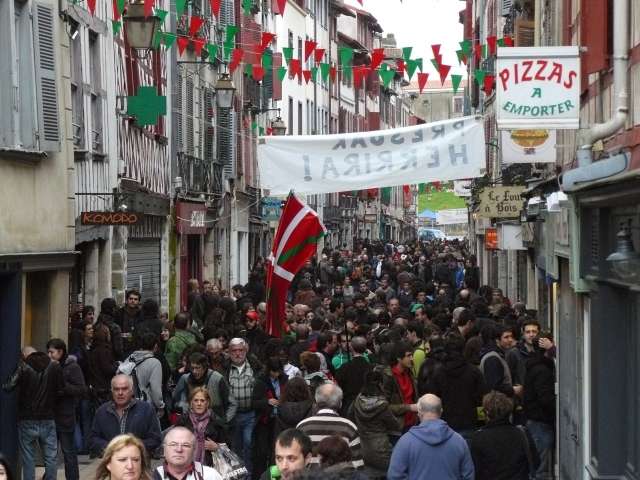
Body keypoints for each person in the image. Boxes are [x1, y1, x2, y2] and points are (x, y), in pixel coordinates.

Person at [2, 346, 64, 480]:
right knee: (51, 458)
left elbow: (8, 386)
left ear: (24, 355)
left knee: (28, 459)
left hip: (27, 419)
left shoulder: (23, 367)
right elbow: (61, 390)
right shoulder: (53, 366)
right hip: (48, 418)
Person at [387, 394, 475, 480]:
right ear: (441, 411)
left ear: (419, 412)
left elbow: (394, 475)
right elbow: (468, 475)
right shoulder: (459, 441)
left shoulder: (405, 442)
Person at [468, 392, 538, 480]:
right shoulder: (522, 433)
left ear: (487, 412)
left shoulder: (479, 438)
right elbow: (535, 462)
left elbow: (476, 470)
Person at [89, 374, 162, 456]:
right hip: (111, 462)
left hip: (138, 462)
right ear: (112, 391)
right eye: (116, 389)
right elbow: (93, 439)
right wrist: (113, 447)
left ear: (132, 390)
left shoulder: (146, 410)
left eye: (124, 389)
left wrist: (132, 446)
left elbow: (155, 439)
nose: (120, 393)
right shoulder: (102, 411)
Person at [296, 383, 364, 469]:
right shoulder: (349, 427)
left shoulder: (302, 426)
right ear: (340, 404)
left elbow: (297, 461)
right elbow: (357, 465)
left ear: (316, 402)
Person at [47, 338, 87, 480]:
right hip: (50, 416)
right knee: (50, 454)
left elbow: (81, 389)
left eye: (51, 352)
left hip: (65, 416)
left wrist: (64, 388)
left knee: (68, 452)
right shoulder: (50, 367)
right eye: (48, 352)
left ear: (60, 352)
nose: (49, 355)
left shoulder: (72, 367)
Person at [352, 370, 402, 473]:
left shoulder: (357, 400)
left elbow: (351, 416)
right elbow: (394, 424)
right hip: (381, 449)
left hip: (363, 447)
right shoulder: (382, 405)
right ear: (380, 384)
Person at [523, 335, 556, 479]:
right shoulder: (543, 370)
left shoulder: (534, 366)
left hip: (536, 421)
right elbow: (546, 399)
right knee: (541, 469)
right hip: (541, 422)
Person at [225, 338, 259, 475]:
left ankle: (248, 476)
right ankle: (237, 475)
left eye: (241, 350)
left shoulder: (254, 366)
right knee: (235, 448)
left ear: (246, 351)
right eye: (234, 351)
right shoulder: (225, 368)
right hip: (233, 415)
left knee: (248, 445)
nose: (238, 353)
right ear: (229, 352)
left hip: (250, 414)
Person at [173, 352, 237, 424]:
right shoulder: (186, 379)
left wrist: (224, 421)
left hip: (214, 425)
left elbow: (232, 403)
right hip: (192, 424)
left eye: (197, 368)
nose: (194, 371)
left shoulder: (217, 378)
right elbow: (176, 398)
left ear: (204, 367)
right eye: (192, 368)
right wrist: (183, 405)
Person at [175, 388, 228, 469]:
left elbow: (227, 447)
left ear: (207, 403)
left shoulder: (216, 421)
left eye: (202, 401)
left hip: (210, 468)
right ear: (191, 403)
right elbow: (173, 443)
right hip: (185, 466)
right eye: (196, 400)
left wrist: (216, 447)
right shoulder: (183, 421)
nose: (199, 403)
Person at [382, 341, 418, 432]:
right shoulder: (388, 377)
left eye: (412, 355)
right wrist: (409, 407)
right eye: (408, 356)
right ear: (398, 358)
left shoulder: (409, 372)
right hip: (398, 427)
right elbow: (384, 406)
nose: (412, 358)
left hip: (413, 423)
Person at [126, 332, 165, 415]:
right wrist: (160, 406)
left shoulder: (130, 358)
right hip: (145, 405)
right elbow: (156, 389)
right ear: (155, 346)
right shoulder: (155, 363)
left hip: (128, 402)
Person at [334, 336, 372, 416]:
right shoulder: (371, 367)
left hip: (348, 406)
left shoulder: (344, 368)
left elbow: (337, 386)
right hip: (368, 406)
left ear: (351, 348)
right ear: (365, 348)